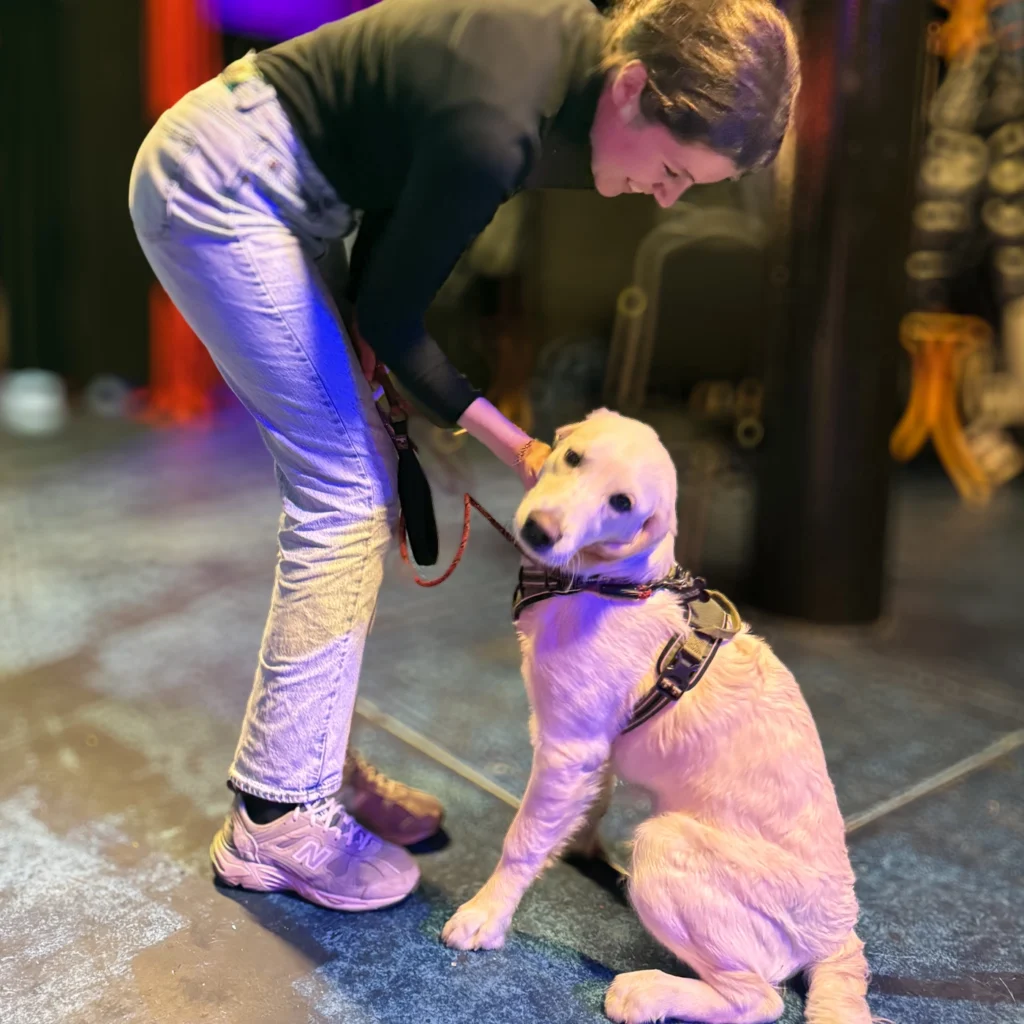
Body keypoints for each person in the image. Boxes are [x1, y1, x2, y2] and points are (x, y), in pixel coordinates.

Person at [128, 0, 800, 913]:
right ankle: (277, 815)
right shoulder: (500, 119)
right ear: (635, 86)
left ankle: (301, 759)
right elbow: (393, 320)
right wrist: (521, 444)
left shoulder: (570, 61)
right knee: (348, 497)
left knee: (355, 472)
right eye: (675, 170)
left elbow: (386, 280)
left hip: (289, 183)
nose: (668, 196)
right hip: (225, 184)